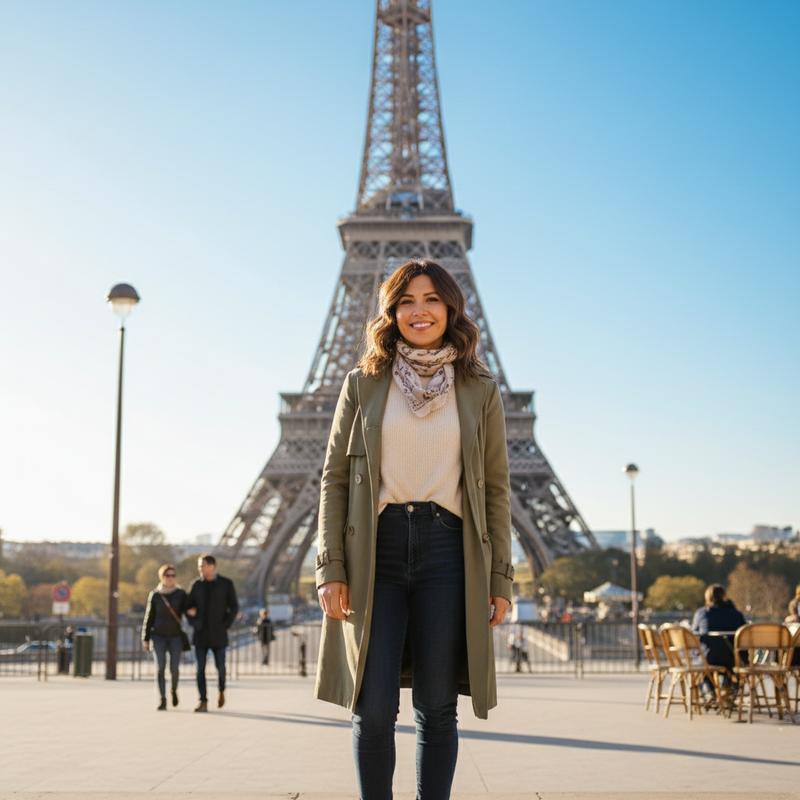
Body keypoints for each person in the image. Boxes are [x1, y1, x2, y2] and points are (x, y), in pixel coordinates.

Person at [314, 259, 514, 800]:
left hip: (449, 549)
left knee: (437, 706)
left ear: (450, 307)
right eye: (406, 300)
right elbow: (334, 480)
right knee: (373, 705)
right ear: (390, 311)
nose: (418, 311)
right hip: (376, 549)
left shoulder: (479, 389)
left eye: (430, 299)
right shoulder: (363, 384)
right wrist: (331, 567)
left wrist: (500, 578)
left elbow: (495, 488)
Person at [186, 554, 238, 712]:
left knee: (220, 667)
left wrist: (225, 625)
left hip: (219, 633)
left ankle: (221, 690)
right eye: (199, 566)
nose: (200, 569)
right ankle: (203, 700)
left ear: (212, 566)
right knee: (199, 669)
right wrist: (194, 622)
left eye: (202, 566)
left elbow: (234, 607)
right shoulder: (196, 585)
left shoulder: (226, 584)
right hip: (200, 634)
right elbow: (188, 608)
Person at [142, 564, 188, 710]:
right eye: (167, 575)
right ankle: (162, 699)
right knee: (160, 668)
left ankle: (173, 690)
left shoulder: (181, 594)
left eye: (173, 575)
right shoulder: (155, 595)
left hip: (175, 636)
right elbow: (149, 617)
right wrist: (146, 637)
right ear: (162, 577)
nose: (170, 578)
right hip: (158, 636)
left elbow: (189, 609)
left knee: (174, 668)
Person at [692, 584, 746, 698]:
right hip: (732, 658)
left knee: (705, 662)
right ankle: (728, 693)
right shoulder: (735, 613)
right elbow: (745, 635)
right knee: (733, 663)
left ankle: (710, 692)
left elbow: (693, 634)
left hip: (707, 657)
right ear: (724, 596)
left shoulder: (702, 613)